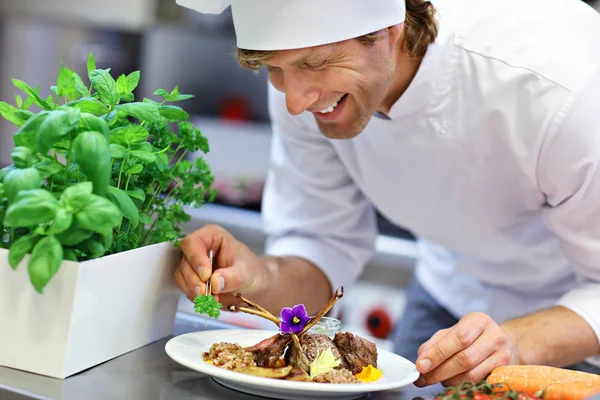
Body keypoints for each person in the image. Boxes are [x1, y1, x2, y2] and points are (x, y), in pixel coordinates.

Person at [174, 0, 600, 387]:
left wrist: (516, 341)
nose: (295, 104)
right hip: (445, 297)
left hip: (573, 318)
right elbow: (323, 243)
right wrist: (259, 280)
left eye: (317, 62)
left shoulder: (559, 88)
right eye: (274, 70)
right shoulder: (304, 92)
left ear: (390, 30)